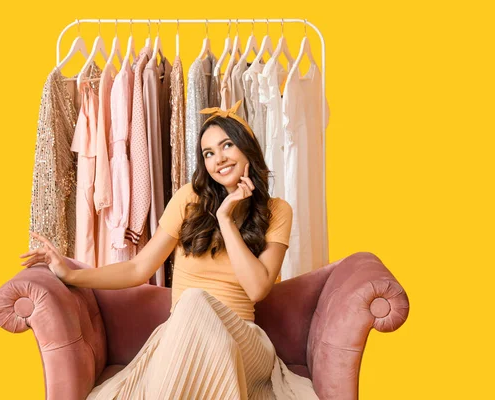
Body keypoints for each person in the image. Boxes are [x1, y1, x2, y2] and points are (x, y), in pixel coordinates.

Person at [20, 100, 318, 399]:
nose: (218, 159)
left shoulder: (276, 211)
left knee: (194, 300)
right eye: (209, 153)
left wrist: (226, 219)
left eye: (227, 145)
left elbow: (256, 289)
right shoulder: (189, 199)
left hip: (243, 341)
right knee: (190, 306)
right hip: (182, 337)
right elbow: (139, 269)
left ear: (247, 149)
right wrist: (70, 275)